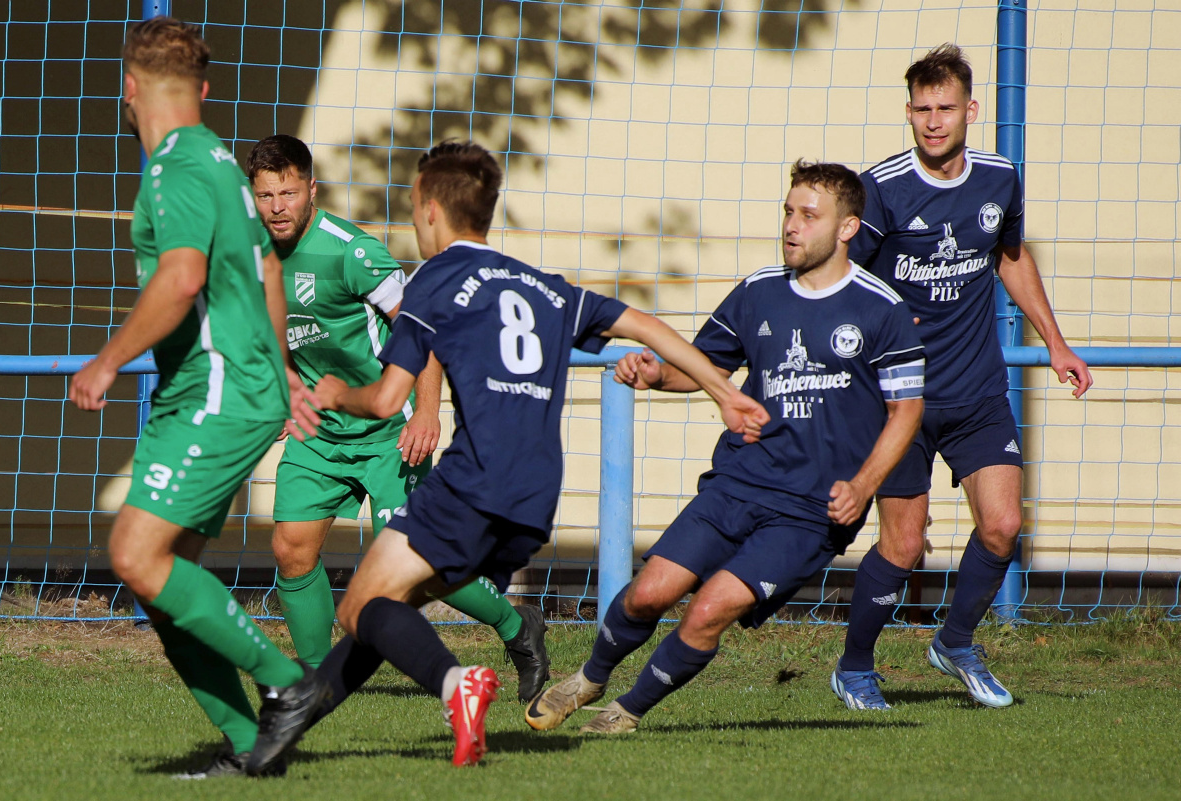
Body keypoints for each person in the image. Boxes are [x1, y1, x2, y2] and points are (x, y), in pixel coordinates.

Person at [244, 140, 769, 771]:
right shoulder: (543, 286)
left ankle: (453, 686)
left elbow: (387, 401)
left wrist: (336, 393)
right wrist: (723, 392)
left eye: (414, 209)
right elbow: (644, 326)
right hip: (534, 497)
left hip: (470, 480)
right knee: (390, 605)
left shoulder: (432, 283)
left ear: (430, 211)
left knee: (364, 604)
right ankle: (291, 726)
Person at [523, 161, 925, 734]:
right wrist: (656, 374)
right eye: (789, 211)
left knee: (709, 610)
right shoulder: (759, 292)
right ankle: (589, 677)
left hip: (810, 510)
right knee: (646, 595)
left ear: (847, 229)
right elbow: (706, 367)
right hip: (738, 481)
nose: (791, 225)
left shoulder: (879, 308)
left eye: (809, 216)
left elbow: (906, 410)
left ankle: (627, 712)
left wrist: (862, 488)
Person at [68, 17, 329, 779]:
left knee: (133, 551)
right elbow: (271, 273)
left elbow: (180, 279)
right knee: (164, 576)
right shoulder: (220, 159)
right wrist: (280, 365)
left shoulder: (174, 166)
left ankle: (287, 683)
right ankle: (251, 745)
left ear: (130, 88)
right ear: (203, 89)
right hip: (230, 386)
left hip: (214, 390)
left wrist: (108, 360)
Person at [831, 43, 1093, 711]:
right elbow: (842, 278)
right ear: (910, 112)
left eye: (946, 107)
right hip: (901, 400)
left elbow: (1010, 257)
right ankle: (855, 666)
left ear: (970, 109)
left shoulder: (1000, 178)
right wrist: (877, 332)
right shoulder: (881, 188)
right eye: (922, 108)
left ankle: (955, 641)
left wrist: (1055, 343)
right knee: (905, 543)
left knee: (1004, 524)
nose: (934, 121)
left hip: (977, 388)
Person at [246, 135, 549, 701]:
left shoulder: (350, 252)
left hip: (390, 429)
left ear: (312, 189)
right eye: (265, 195)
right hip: (323, 429)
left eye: (288, 192)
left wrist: (428, 412)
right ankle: (321, 681)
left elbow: (423, 327)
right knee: (290, 546)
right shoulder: (252, 253)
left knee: (414, 565)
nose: (277, 206)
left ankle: (516, 626)